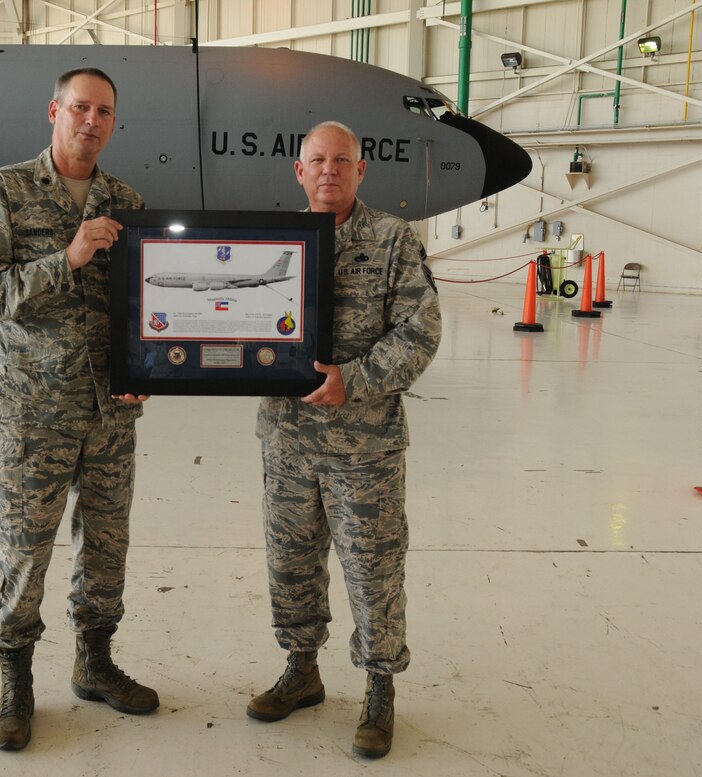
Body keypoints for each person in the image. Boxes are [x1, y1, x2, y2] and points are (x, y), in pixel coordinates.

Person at [0, 67, 157, 753]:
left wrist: (143, 369)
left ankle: (94, 661)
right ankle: (16, 680)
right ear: (54, 111)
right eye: (80, 107)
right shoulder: (6, 192)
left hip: (109, 411)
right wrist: (66, 258)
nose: (91, 121)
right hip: (32, 409)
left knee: (105, 547)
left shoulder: (125, 200)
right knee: (23, 548)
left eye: (104, 111)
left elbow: (141, 305)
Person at [247, 121, 442, 759]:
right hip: (287, 441)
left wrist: (353, 380)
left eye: (342, 161)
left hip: (366, 448)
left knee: (373, 571)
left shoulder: (392, 241)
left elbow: (420, 332)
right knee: (291, 563)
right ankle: (302, 669)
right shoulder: (273, 242)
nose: (328, 170)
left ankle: (380, 688)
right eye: (316, 161)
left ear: (362, 171)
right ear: (298, 172)